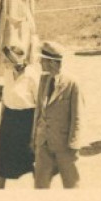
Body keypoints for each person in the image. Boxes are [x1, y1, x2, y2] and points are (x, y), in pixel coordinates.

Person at [30, 42, 83, 189]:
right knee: (40, 186)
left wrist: (74, 145)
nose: (40, 63)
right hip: (43, 142)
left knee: (71, 186)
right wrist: (34, 137)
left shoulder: (72, 83)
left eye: (42, 60)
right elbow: (38, 111)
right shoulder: (43, 80)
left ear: (52, 62)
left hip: (64, 146)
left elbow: (77, 116)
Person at [0, 43, 40, 188]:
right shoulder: (8, 72)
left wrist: (35, 134)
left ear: (14, 61)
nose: (3, 62)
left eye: (6, 60)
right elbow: (4, 97)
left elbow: (40, 105)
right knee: (2, 159)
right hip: (9, 118)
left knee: (32, 159)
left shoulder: (31, 75)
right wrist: (2, 120)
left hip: (27, 120)